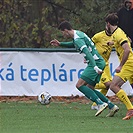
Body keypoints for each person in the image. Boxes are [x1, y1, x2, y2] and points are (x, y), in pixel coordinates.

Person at [50, 20, 119, 117]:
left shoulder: (77, 39)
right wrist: (60, 44)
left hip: (95, 63)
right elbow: (74, 44)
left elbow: (87, 52)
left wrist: (94, 66)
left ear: (65, 30)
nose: (63, 34)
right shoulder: (78, 34)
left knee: (79, 85)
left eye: (62, 32)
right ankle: (112, 106)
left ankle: (100, 103)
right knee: (90, 88)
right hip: (99, 61)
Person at [105, 13, 133, 120]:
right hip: (131, 62)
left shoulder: (118, 34)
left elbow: (127, 49)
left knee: (113, 85)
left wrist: (121, 65)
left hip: (128, 63)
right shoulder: (118, 33)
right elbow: (128, 40)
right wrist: (112, 43)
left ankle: (130, 109)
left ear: (108, 23)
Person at [90, 29, 114, 111]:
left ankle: (95, 104)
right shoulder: (98, 36)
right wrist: (89, 56)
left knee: (108, 86)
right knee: (108, 84)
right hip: (98, 63)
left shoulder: (115, 36)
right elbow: (89, 44)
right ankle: (87, 85)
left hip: (106, 64)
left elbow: (120, 43)